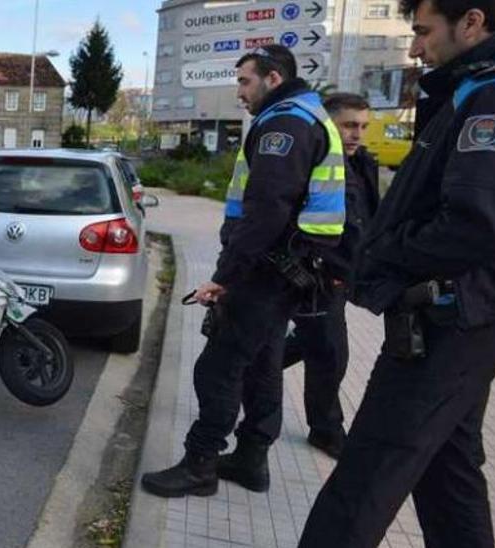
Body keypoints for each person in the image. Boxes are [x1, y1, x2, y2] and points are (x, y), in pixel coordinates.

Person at [298, 0, 495, 544]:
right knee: (448, 470)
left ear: (471, 22)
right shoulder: (489, 86)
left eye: (424, 32)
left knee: (368, 471)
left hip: (454, 315)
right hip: (470, 309)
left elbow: (479, 224)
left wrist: (385, 252)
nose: (415, 48)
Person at [140, 45, 348, 497]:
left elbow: (266, 211)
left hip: (264, 270)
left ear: (273, 79)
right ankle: (252, 460)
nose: (239, 91)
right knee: (263, 365)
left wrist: (225, 276)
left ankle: (201, 464)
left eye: (244, 80)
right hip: (285, 268)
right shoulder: (307, 116)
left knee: (217, 368)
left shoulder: (285, 124)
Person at [280, 93, 381, 459]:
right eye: (349, 125)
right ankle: (325, 430)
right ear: (330, 124)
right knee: (330, 353)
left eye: (363, 127)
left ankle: (246, 367)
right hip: (317, 275)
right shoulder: (314, 161)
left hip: (341, 275)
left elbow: (366, 220)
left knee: (316, 345)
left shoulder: (361, 163)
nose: (357, 134)